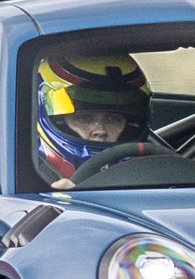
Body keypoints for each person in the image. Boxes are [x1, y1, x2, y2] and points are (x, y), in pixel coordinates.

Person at [29, 51, 159, 186]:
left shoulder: (155, 172)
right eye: (84, 118)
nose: (100, 130)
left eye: (113, 119)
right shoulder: (24, 178)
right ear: (59, 121)